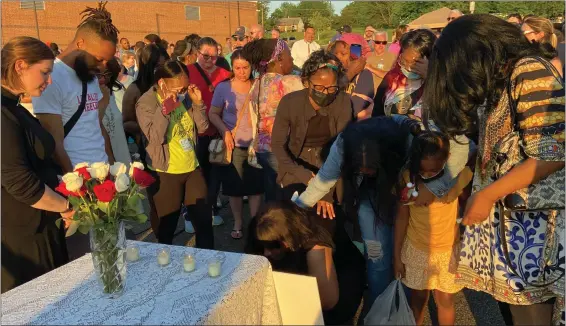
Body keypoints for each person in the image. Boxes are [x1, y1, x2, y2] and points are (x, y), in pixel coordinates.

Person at [424, 14, 565, 325]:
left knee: (532, 310)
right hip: (513, 227)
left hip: (534, 227)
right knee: (516, 310)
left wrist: (487, 195)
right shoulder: (501, 78)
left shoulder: (527, 71)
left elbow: (552, 154)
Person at [294, 115, 473, 307]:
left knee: (404, 258)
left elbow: (465, 146)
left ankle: (401, 309)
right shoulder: (344, 143)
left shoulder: (410, 133)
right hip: (368, 197)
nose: (364, 171)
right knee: (378, 259)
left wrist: (434, 187)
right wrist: (296, 210)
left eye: (370, 168)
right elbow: (323, 181)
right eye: (359, 169)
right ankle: (381, 310)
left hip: (404, 195)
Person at [1, 36, 73, 293]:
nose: (49, 80)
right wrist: (66, 206)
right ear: (20, 66)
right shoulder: (3, 113)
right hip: (23, 237)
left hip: (39, 227)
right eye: (44, 72)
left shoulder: (13, 106)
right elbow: (20, 183)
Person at [393, 131, 473, 325]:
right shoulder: (407, 179)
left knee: (445, 299)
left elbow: (472, 154)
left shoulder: (455, 177)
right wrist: (396, 257)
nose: (428, 176)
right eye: (423, 171)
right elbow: (401, 219)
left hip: (447, 250)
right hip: (416, 249)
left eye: (435, 172)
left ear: (447, 161)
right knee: (418, 299)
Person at [246, 201, 365, 325]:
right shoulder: (261, 225)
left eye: (273, 247)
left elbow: (328, 301)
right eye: (263, 246)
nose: (266, 253)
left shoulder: (315, 246)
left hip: (341, 279)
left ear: (288, 240)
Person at [136, 60, 213, 248]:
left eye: (185, 88)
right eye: (178, 89)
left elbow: (202, 127)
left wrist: (198, 104)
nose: (182, 93)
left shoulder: (185, 97)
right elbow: (155, 138)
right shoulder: (145, 103)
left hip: (191, 167)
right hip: (166, 172)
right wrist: (166, 110)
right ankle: (165, 270)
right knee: (167, 229)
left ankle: (209, 267)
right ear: (162, 83)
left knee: (204, 223)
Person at [33, 2, 118, 172]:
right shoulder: (51, 79)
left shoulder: (89, 74)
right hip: (77, 178)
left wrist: (114, 166)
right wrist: (75, 185)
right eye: (99, 59)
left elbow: (96, 125)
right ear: (80, 43)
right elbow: (54, 142)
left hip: (102, 172)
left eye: (107, 61)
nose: (102, 67)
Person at [272, 49, 351, 206]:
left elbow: (342, 147)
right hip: (295, 163)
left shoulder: (342, 101)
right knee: (296, 215)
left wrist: (324, 191)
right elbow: (277, 145)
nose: (326, 93)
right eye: (319, 88)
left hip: (332, 162)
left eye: (331, 88)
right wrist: (303, 174)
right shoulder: (289, 103)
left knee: (333, 217)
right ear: (306, 82)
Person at [241, 39, 304, 202]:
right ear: (280, 58)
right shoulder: (290, 82)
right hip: (282, 150)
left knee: (272, 194)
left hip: (263, 149)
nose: (293, 60)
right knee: (288, 197)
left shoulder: (257, 84)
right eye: (289, 54)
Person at [209, 50, 263, 239]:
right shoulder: (224, 87)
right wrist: (225, 132)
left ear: (252, 67)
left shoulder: (259, 85)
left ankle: (255, 222)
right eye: (238, 68)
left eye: (245, 67)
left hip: (256, 143)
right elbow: (213, 113)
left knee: (256, 187)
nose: (242, 72)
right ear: (232, 67)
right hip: (234, 142)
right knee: (235, 188)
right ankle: (238, 221)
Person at [187, 37, 231, 227]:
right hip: (195, 132)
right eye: (206, 56)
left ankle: (210, 209)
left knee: (216, 175)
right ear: (197, 53)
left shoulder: (225, 74)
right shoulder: (187, 71)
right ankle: (189, 215)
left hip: (218, 131)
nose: (210, 60)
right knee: (196, 176)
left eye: (214, 57)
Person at [371, 29, 436, 118]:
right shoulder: (391, 78)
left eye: (415, 63)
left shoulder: (443, 82)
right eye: (404, 61)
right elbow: (377, 114)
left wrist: (429, 78)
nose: (408, 68)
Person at [122, 44, 169, 163]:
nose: (162, 71)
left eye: (165, 66)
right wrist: (144, 132)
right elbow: (127, 122)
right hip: (150, 150)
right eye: (158, 66)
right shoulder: (135, 89)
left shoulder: (173, 89)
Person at [101, 58, 131, 166]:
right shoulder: (91, 99)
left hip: (121, 152)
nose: (103, 78)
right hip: (104, 159)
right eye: (100, 74)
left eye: (108, 74)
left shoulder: (110, 93)